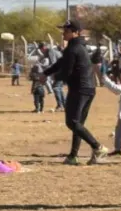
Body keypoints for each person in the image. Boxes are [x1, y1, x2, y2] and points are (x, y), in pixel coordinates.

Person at [43, 20, 108, 165]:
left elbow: (66, 71)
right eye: (63, 30)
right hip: (88, 88)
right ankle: (73, 156)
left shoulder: (74, 48)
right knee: (78, 124)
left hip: (80, 89)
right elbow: (61, 63)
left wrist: (54, 79)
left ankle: (98, 147)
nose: (63, 33)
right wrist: (46, 73)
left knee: (72, 122)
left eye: (66, 31)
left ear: (75, 32)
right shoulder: (77, 47)